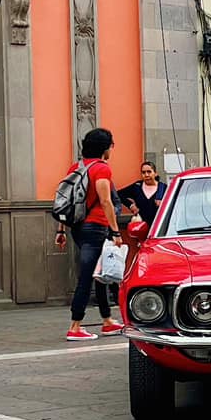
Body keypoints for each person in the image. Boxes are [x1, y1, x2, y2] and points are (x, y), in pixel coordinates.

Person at [57, 127, 122, 341]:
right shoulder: (102, 169)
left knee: (99, 274)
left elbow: (67, 199)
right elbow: (106, 201)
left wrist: (61, 230)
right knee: (86, 277)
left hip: (77, 227)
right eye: (111, 146)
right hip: (95, 228)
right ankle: (75, 326)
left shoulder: (77, 167)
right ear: (105, 148)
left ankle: (107, 321)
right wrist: (115, 231)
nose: (112, 150)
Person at [116, 160, 166, 229]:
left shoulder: (163, 188)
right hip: (140, 228)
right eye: (143, 172)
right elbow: (118, 194)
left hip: (159, 229)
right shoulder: (137, 187)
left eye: (149, 172)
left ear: (155, 173)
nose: (146, 175)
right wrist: (130, 205)